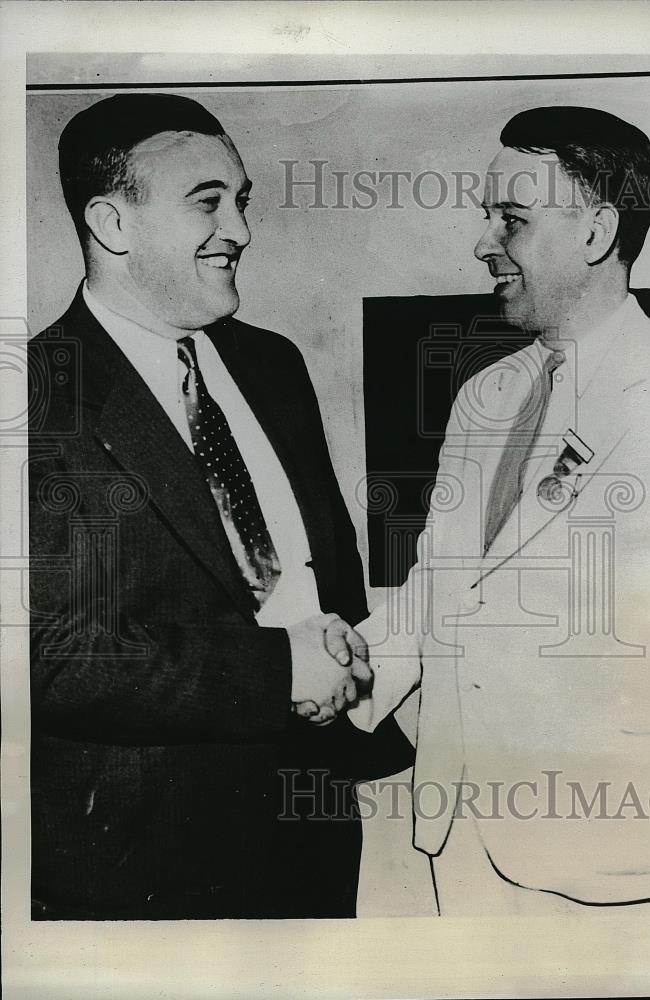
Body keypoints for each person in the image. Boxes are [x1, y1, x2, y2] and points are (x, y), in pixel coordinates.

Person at [28, 93, 413, 920]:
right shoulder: (34, 398)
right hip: (141, 859)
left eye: (240, 202)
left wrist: (343, 675)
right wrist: (281, 673)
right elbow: (51, 656)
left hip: (308, 825)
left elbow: (326, 577)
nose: (239, 229)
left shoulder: (273, 365)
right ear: (112, 222)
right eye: (207, 202)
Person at [351, 106, 650, 925]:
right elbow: (442, 585)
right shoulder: (486, 394)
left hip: (624, 872)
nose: (484, 242)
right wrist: (316, 672)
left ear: (595, 231)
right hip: (459, 840)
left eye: (510, 219)